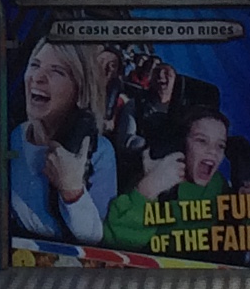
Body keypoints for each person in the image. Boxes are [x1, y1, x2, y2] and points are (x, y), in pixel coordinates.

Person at [9, 34, 116, 247]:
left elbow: (94, 239)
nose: (38, 77)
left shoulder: (100, 152)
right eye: (35, 65)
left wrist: (72, 190)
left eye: (57, 71)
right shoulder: (12, 137)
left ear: (80, 91)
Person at [103, 100, 241, 254]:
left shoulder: (218, 185)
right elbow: (117, 244)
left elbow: (233, 240)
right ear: (182, 143)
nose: (213, 152)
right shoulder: (157, 174)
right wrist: (148, 190)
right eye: (202, 141)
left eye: (220, 145)